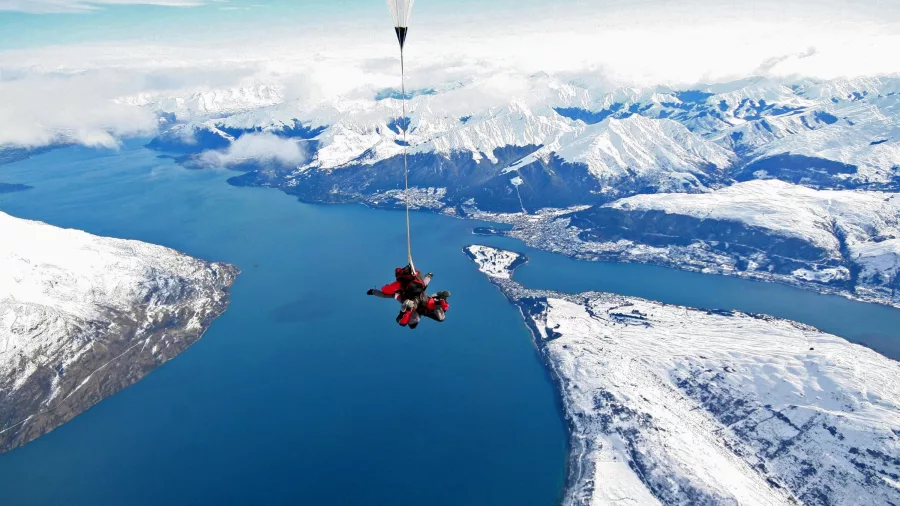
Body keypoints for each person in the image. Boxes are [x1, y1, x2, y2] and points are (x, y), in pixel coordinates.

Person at [367, 266, 450, 329]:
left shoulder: (400, 288)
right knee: (436, 314)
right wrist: (429, 276)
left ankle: (408, 310)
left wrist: (429, 276)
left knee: (436, 316)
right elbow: (424, 283)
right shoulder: (401, 288)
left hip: (415, 299)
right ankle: (440, 301)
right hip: (419, 298)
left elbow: (384, 294)